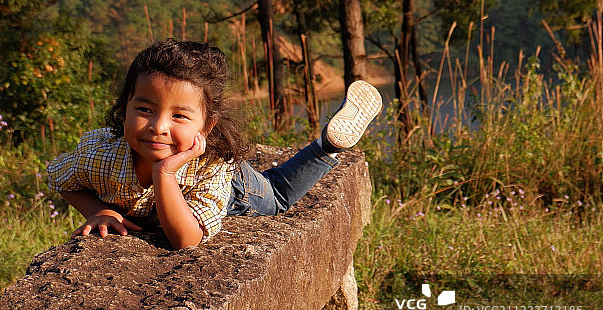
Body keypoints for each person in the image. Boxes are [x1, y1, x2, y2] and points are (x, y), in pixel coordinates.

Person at [47, 39, 382, 249]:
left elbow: (184, 239)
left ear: (205, 126)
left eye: (179, 116)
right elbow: (59, 178)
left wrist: (164, 174)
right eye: (145, 109)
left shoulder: (215, 170)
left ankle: (327, 145)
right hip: (182, 180)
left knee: (277, 195)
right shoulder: (100, 155)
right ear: (125, 108)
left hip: (232, 190)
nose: (158, 127)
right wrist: (99, 210)